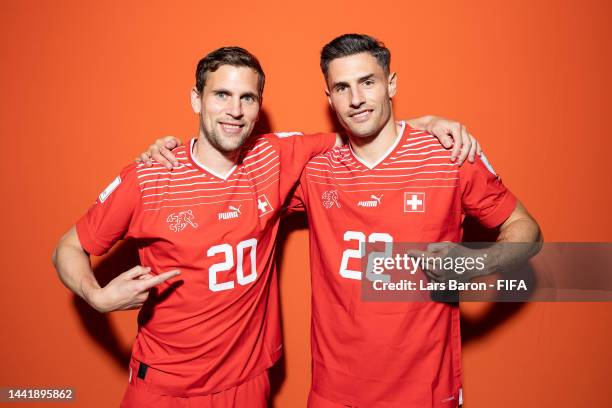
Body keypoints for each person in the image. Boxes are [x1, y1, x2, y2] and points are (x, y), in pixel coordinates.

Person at [53, 46, 477, 407]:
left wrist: (421, 124)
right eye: (221, 95)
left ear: (259, 105)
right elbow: (67, 247)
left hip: (249, 382)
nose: (235, 111)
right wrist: (96, 296)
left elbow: (363, 130)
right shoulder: (149, 176)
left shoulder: (273, 157)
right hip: (167, 385)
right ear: (196, 99)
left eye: (247, 98)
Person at [146, 34, 541, 407]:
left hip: (425, 388)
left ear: (392, 83)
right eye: (342, 88)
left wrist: (476, 262)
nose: (356, 99)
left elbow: (527, 231)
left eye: (368, 82)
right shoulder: (316, 170)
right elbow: (225, 165)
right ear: (329, 97)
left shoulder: (448, 155)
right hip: (334, 390)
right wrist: (169, 156)